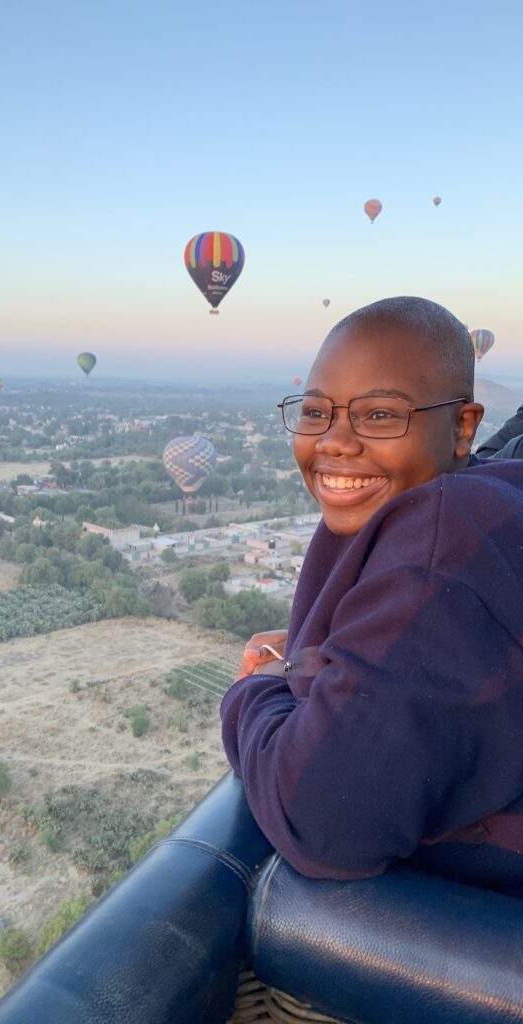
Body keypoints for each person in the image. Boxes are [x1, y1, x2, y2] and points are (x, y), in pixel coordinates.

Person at [221, 296, 523, 899]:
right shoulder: (477, 502)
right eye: (314, 413)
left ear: (463, 427)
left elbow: (322, 820)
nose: (334, 442)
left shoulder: (441, 544)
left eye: (379, 415)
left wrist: (252, 693)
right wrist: (336, 651)